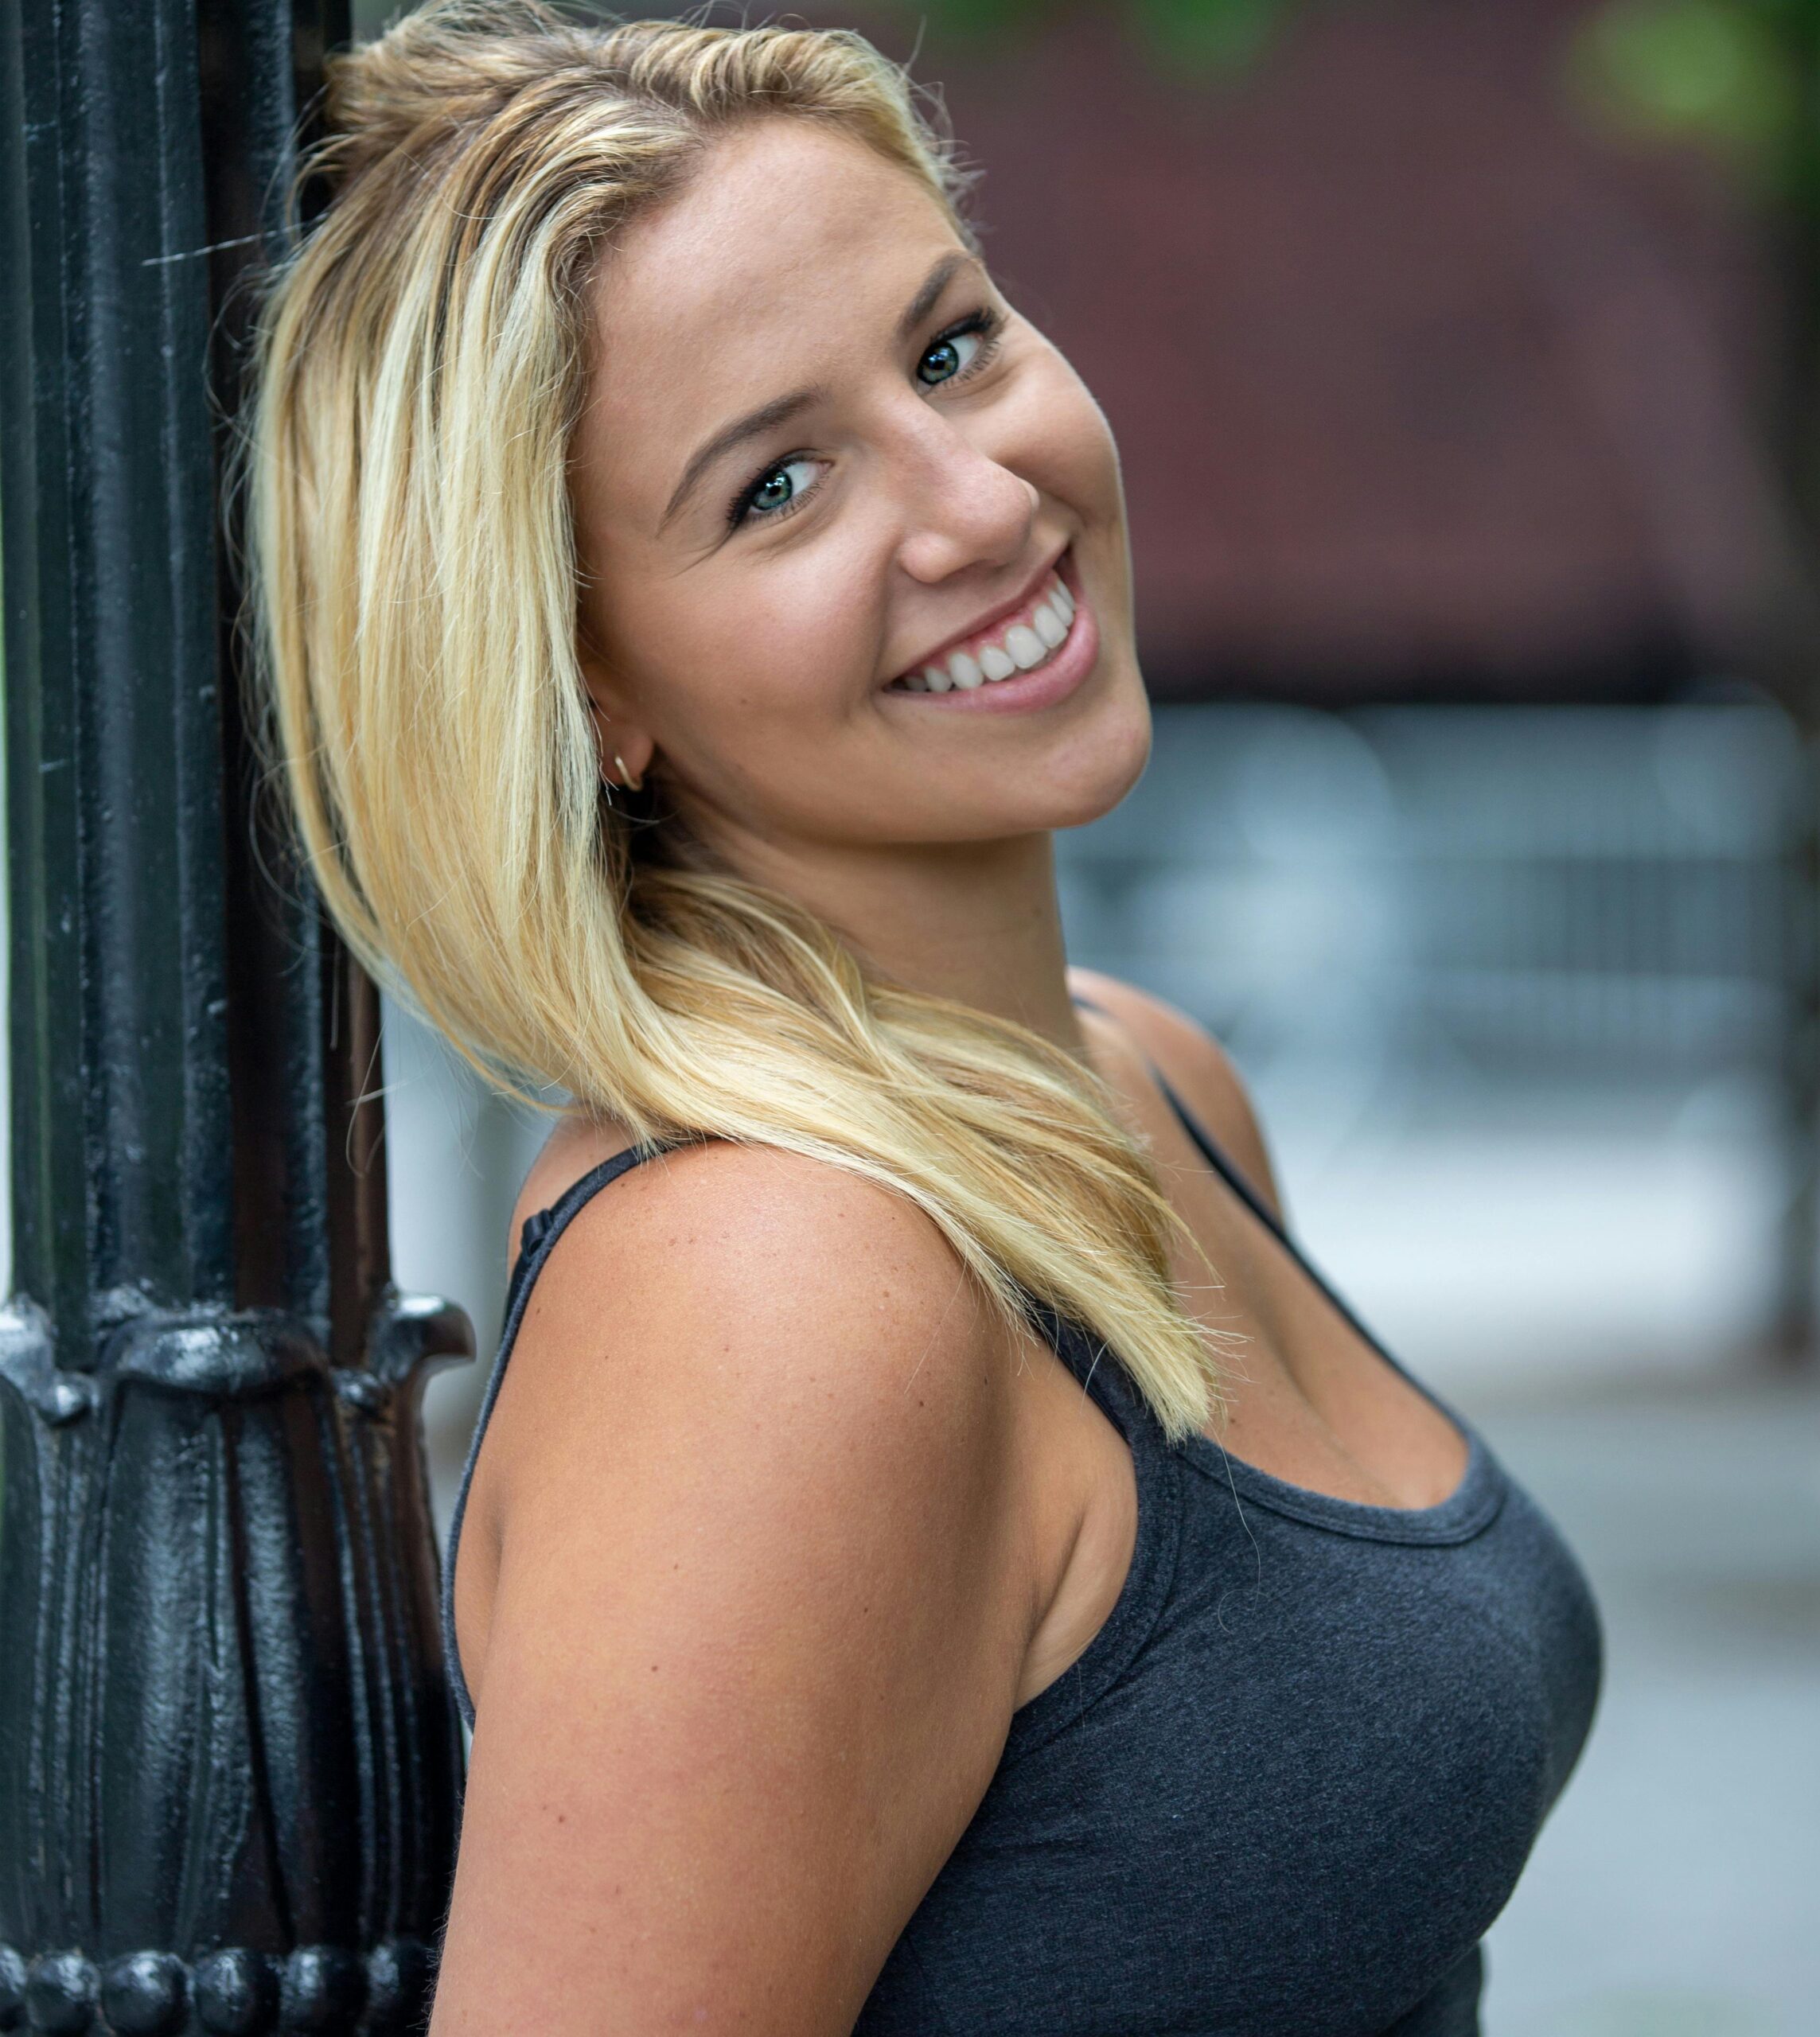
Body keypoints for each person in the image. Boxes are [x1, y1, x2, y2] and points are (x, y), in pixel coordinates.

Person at [244, 4, 1601, 2028]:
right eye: (777, 485)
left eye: (949, 348)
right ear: (583, 684)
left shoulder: (1142, 1074)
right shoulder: (771, 1291)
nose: (975, 505)